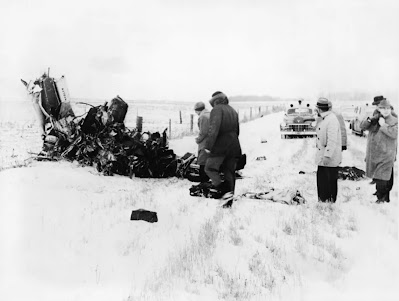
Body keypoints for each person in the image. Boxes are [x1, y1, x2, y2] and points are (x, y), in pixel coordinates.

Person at [204, 91, 242, 202]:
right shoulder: (233, 111)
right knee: (229, 172)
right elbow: (237, 131)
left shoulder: (216, 110)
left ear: (215, 101)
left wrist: (208, 146)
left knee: (209, 168)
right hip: (234, 145)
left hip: (221, 146)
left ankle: (222, 190)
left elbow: (213, 129)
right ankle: (228, 200)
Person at [360, 99, 397, 203]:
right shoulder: (375, 116)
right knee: (379, 175)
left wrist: (383, 125)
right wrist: (370, 120)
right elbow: (362, 127)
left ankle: (384, 197)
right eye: (381, 108)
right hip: (375, 151)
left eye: (387, 108)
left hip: (386, 152)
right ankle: (380, 193)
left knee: (385, 177)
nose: (384, 110)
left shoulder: (393, 119)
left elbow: (394, 134)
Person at [315, 97, 342, 203]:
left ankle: (329, 201)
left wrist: (327, 155)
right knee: (322, 180)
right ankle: (323, 200)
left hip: (328, 158)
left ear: (319, 109)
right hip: (324, 157)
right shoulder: (326, 119)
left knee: (329, 180)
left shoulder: (331, 120)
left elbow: (332, 140)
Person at [193, 101, 210, 183]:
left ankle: (203, 183)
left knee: (202, 162)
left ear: (197, 110)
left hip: (205, 142)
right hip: (211, 141)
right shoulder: (209, 114)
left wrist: (198, 139)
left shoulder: (203, 117)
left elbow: (204, 132)